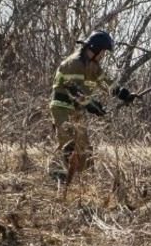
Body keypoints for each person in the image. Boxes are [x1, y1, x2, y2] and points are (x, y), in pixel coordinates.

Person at [48, 30, 138, 180]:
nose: (103, 55)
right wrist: (92, 105)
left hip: (77, 109)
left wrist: (124, 94)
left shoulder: (93, 66)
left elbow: (107, 82)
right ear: (95, 49)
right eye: (103, 51)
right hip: (62, 106)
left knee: (84, 146)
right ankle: (56, 174)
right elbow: (74, 90)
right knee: (67, 140)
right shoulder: (74, 63)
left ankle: (86, 179)